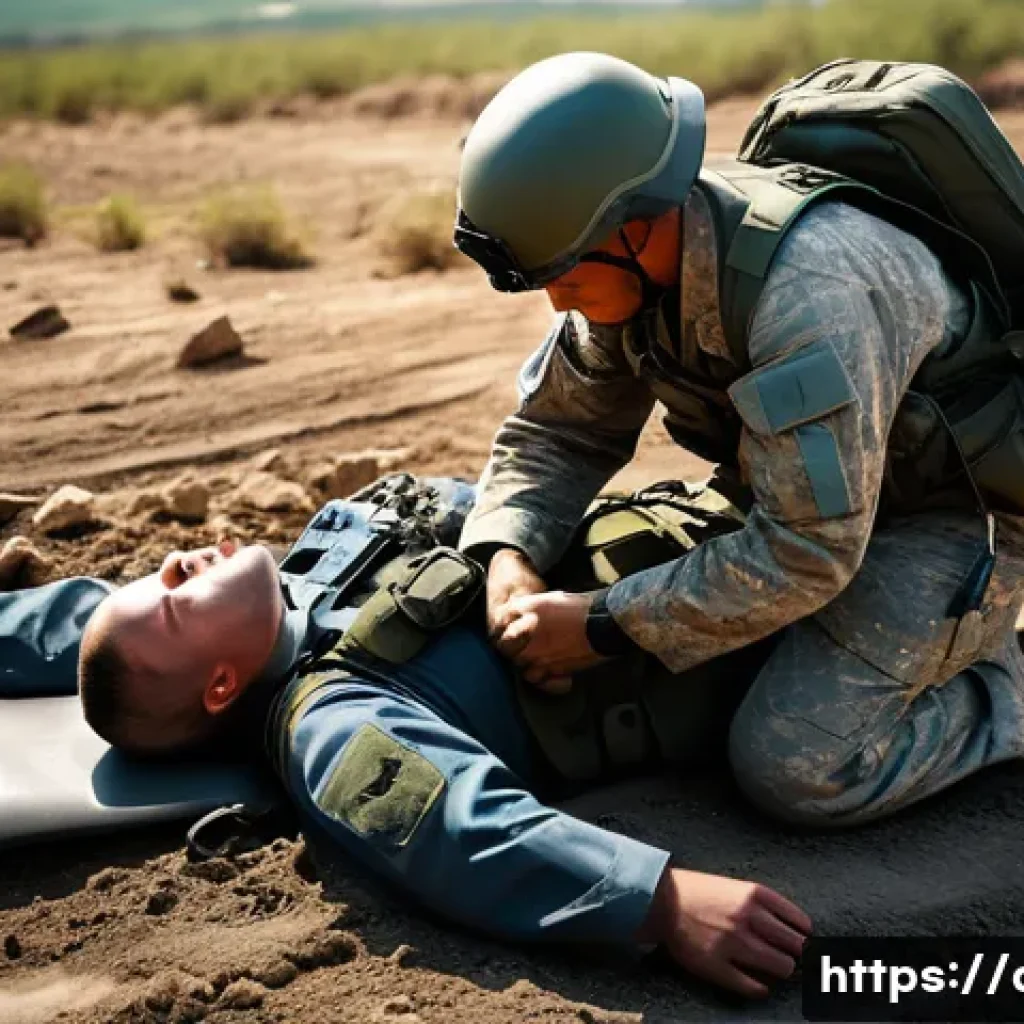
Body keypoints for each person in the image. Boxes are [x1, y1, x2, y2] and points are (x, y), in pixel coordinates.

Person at [453, 52, 1024, 827]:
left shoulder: (807, 292)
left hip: (953, 520)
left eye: (568, 276)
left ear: (636, 226)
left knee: (798, 766)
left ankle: (1006, 687)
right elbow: (561, 432)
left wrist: (604, 625)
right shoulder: (629, 264)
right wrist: (508, 554)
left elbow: (811, 549)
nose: (558, 301)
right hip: (811, 500)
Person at [76, 474, 811, 999]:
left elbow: (62, 622)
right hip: (779, 641)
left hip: (750, 517)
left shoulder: (304, 580)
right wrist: (662, 902)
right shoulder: (331, 723)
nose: (173, 563)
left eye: (152, 576)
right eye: (172, 603)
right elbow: (460, 826)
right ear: (220, 687)